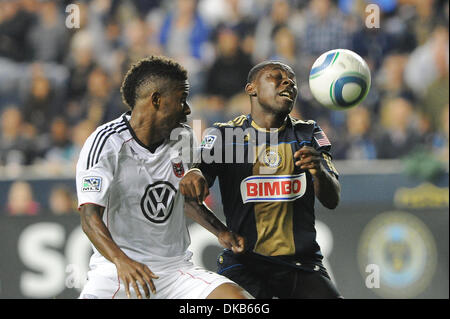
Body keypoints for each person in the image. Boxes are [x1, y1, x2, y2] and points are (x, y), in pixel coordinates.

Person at [76, 55, 251, 299]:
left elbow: (185, 199)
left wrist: (220, 231)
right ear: (156, 100)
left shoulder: (183, 137)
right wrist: (121, 261)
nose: (188, 109)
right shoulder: (106, 142)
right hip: (116, 273)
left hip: (175, 271)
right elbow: (89, 217)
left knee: (239, 301)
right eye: (182, 99)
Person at [179, 60, 343, 298]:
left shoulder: (309, 133)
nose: (287, 82)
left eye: (292, 81)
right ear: (251, 89)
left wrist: (320, 172)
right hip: (245, 264)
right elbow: (190, 191)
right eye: (276, 76)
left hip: (302, 265)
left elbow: (332, 199)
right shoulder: (224, 135)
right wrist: (221, 231)